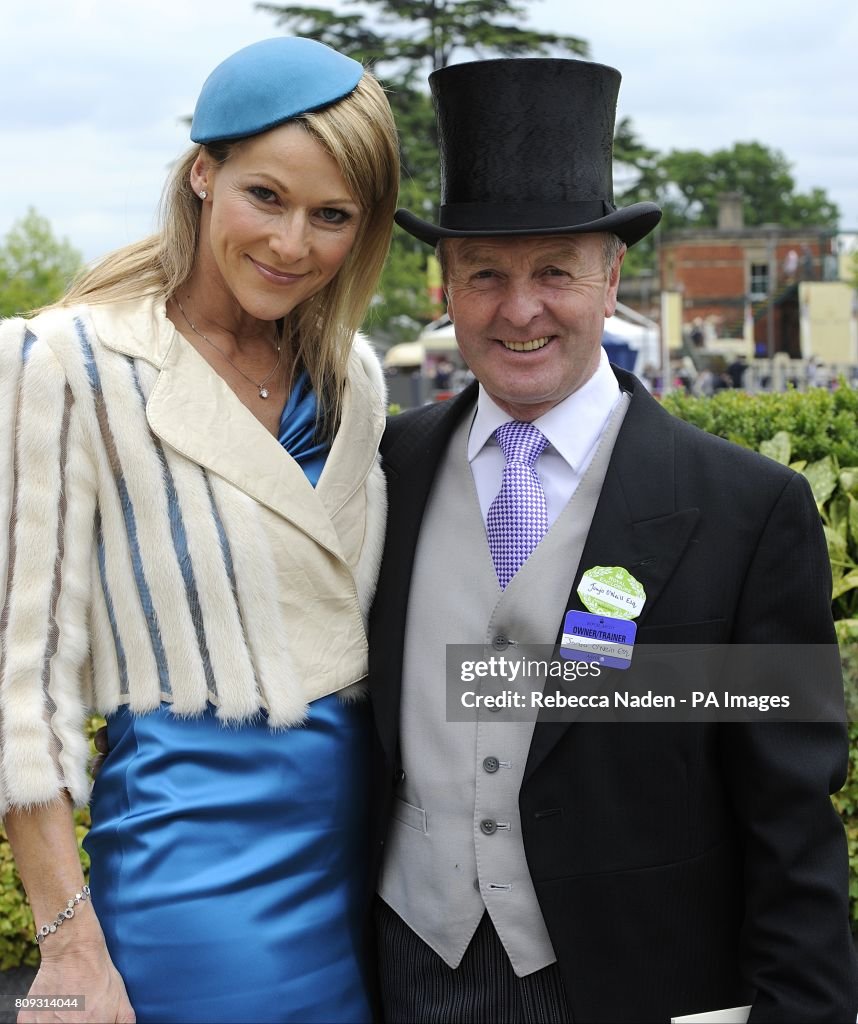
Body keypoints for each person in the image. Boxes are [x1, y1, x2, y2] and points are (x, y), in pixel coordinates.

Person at [367, 57, 858, 1023]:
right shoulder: (383, 468)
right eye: (486, 274)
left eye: (555, 271)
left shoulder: (749, 510)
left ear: (612, 278)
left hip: (637, 984)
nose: (520, 309)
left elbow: (792, 817)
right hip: (405, 971)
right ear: (447, 286)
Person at [0, 36, 398, 1023]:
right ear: (202, 174)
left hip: (381, 876)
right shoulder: (66, 363)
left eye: (332, 215)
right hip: (199, 880)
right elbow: (21, 688)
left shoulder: (355, 379)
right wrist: (70, 946)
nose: (293, 244)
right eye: (267, 196)